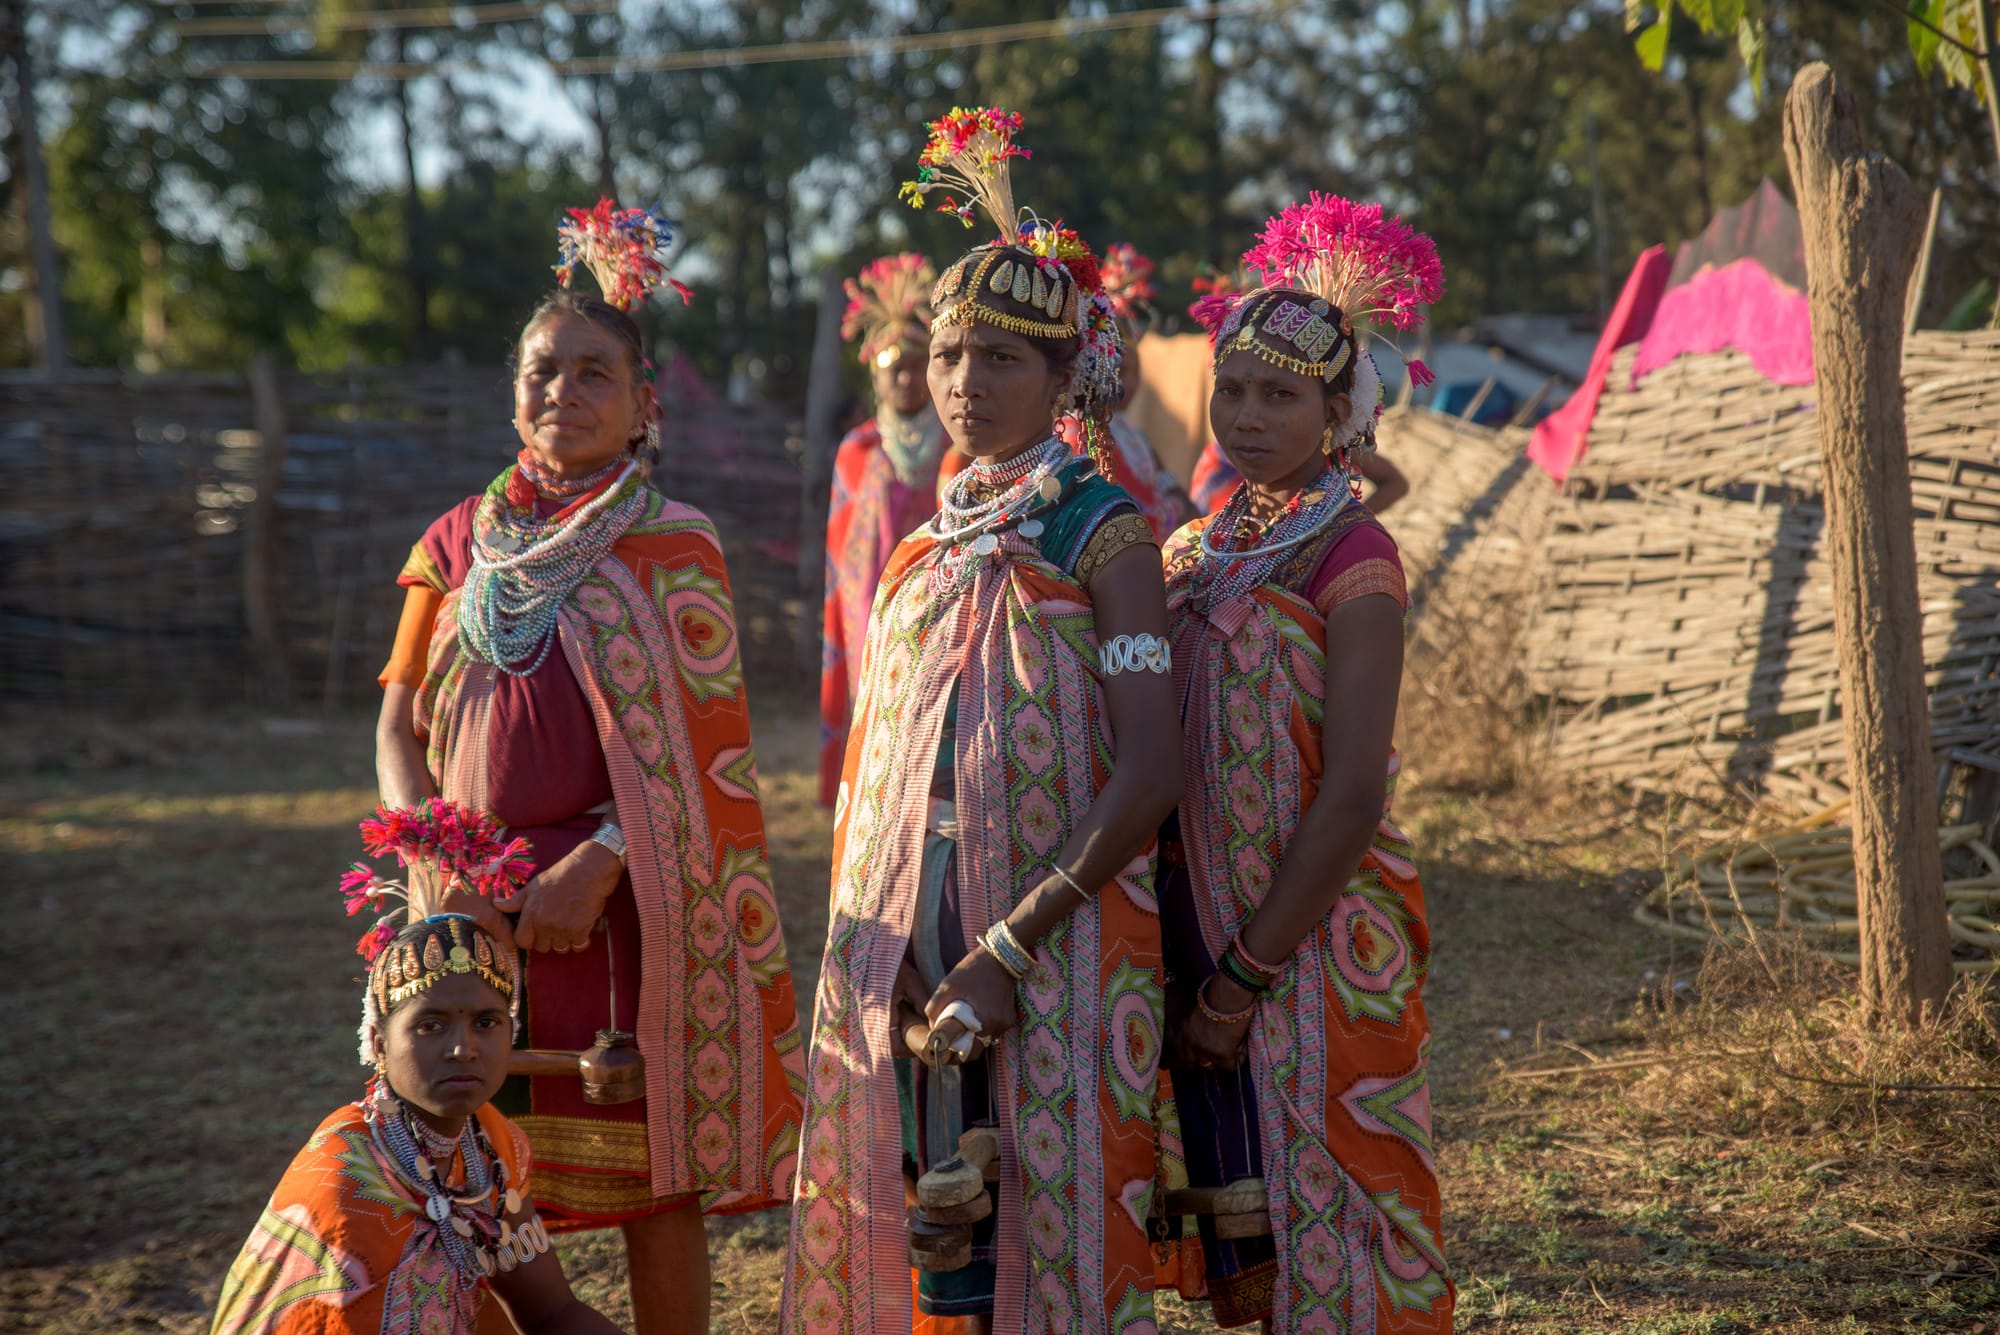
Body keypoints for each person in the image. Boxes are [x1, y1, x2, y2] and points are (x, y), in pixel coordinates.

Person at [373, 201, 806, 1335]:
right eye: (539, 369)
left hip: (619, 912)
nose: (560, 390)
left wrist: (602, 862)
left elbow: (709, 756)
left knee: (649, 1179)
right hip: (462, 906)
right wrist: (433, 867)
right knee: (479, 1179)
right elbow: (397, 725)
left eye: (591, 372)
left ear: (642, 403)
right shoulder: (452, 543)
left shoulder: (674, 545)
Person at [782, 107, 1180, 1335]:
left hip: (1058, 920)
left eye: (1003, 359)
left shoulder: (1103, 536)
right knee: (943, 1218)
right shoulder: (920, 545)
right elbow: (888, 766)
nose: (964, 381)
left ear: (1064, 380)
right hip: (917, 914)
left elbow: (1153, 763)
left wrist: (1008, 948)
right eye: (952, 354)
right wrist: (897, 929)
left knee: (1055, 1226)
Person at [1157, 194, 1452, 1332]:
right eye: (1230, 390)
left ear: (1339, 414)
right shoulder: (1193, 547)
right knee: (1252, 1221)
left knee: (1338, 1210)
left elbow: (1354, 790)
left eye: (1279, 395)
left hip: (1314, 943)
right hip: (1202, 926)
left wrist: (1243, 973)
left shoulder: (1354, 553)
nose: (1245, 414)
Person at [212, 915, 626, 1335]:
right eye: (430, 1026)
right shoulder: (347, 1185)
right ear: (378, 1043)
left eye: (486, 1023)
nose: (464, 1048)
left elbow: (552, 1311)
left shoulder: (492, 1144)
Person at [820, 253, 949, 807]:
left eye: (916, 365)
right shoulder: (857, 451)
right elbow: (841, 562)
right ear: (876, 375)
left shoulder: (958, 446)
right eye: (892, 367)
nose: (904, 378)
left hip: (942, 608)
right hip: (870, 614)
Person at [1189, 434, 1408, 516]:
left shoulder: (1330, 441)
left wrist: (1340, 524)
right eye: (1230, 390)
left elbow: (1395, 483)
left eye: (1281, 394)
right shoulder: (1219, 457)